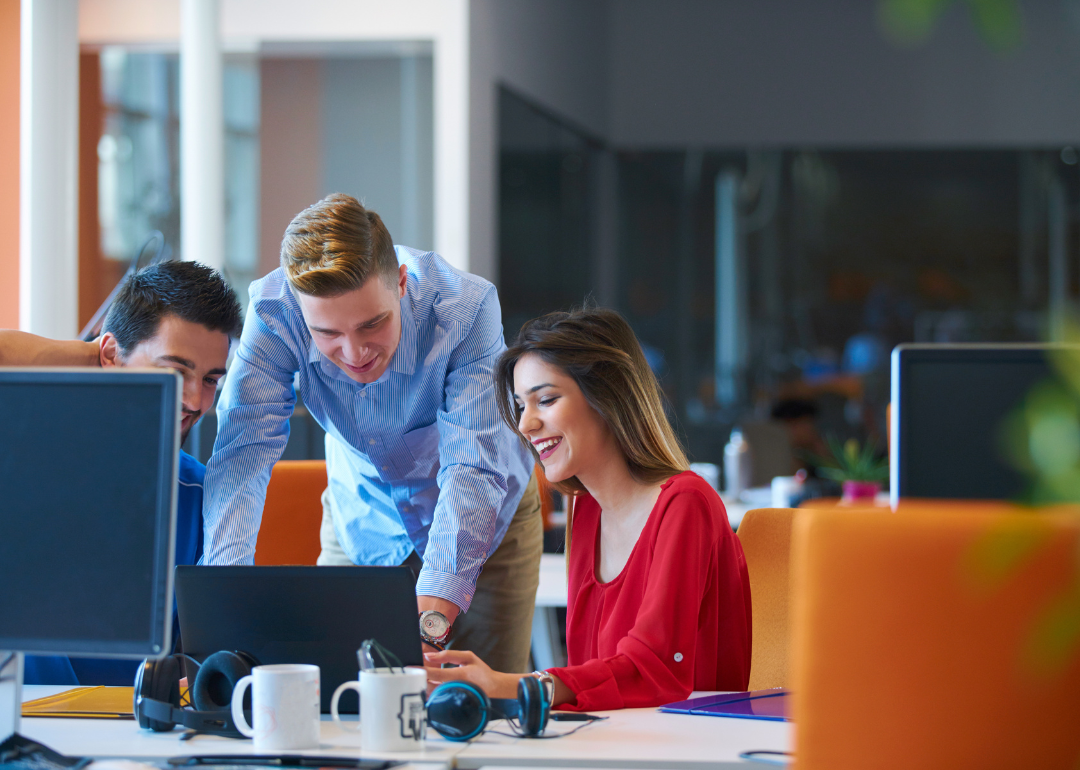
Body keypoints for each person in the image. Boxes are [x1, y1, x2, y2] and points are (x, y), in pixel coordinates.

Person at [202, 194, 541, 673]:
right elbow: (243, 457)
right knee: (338, 695)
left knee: (482, 703)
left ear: (400, 282)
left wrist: (429, 623)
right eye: (328, 334)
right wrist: (225, 607)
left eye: (372, 324)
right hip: (361, 514)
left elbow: (474, 470)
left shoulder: (465, 308)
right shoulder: (275, 313)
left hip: (486, 516)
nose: (354, 351)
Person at [425, 308, 752, 711]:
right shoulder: (585, 508)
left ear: (606, 397)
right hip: (610, 741)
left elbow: (654, 669)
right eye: (520, 405)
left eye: (545, 400)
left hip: (683, 744)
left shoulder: (686, 503)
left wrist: (511, 685)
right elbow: (591, 672)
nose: (525, 424)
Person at [0, 261, 244, 685]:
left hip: (135, 734)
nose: (193, 400)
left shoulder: (201, 494)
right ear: (112, 355)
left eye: (210, 380)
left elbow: (203, 657)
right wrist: (92, 355)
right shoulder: (25, 463)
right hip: (23, 722)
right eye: (175, 369)